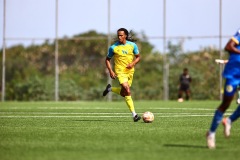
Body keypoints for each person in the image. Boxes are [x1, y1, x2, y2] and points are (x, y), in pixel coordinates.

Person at [206, 28, 240, 149]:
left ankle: (229, 121)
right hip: (234, 74)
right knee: (226, 104)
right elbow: (229, 46)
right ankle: (211, 133)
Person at [102, 28, 141, 122]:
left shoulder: (133, 45)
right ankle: (134, 115)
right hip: (120, 71)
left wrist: (133, 63)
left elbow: (138, 57)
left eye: (121, 35)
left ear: (125, 36)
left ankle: (110, 89)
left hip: (130, 71)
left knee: (124, 93)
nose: (119, 37)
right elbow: (107, 59)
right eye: (118, 35)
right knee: (127, 89)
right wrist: (111, 71)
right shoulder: (113, 47)